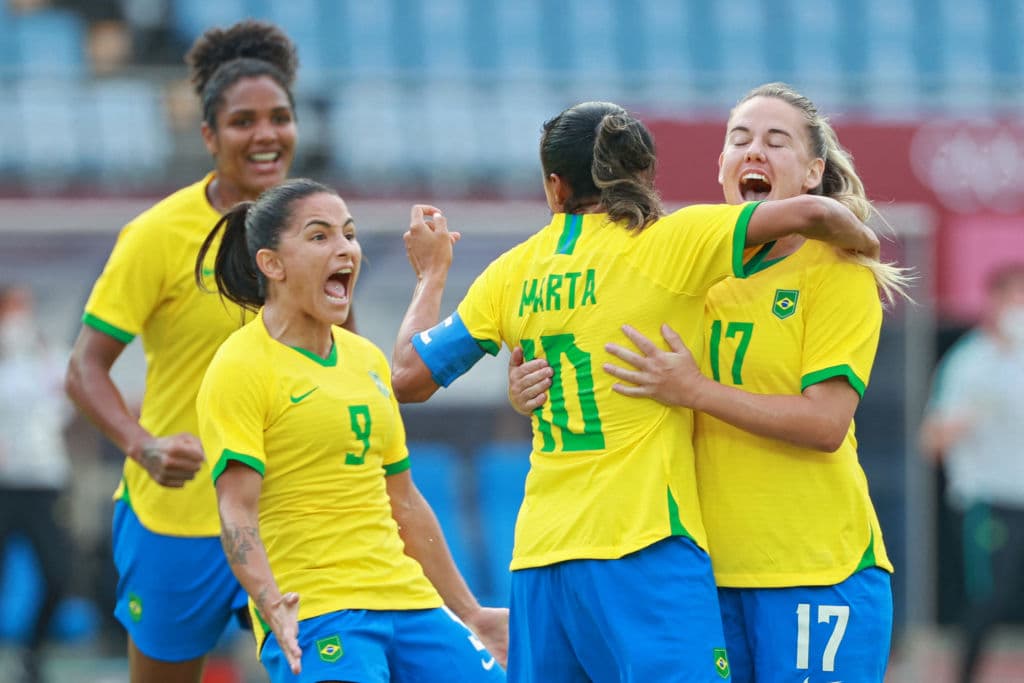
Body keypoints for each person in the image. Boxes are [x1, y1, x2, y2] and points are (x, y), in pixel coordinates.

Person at [390, 100, 881, 682]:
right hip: (654, 549)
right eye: (740, 137)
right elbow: (811, 214)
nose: (753, 150)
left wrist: (431, 277)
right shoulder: (679, 250)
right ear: (651, 175)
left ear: (554, 187)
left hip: (783, 559)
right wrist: (858, 230)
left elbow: (407, 376)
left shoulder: (513, 273)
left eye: (775, 140)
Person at [64, 20, 310, 682]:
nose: (265, 134)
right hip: (180, 515)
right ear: (208, 136)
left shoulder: (316, 230)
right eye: (242, 121)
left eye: (280, 117)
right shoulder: (156, 235)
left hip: (289, 511)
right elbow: (85, 368)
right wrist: (142, 443)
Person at [193, 178, 507, 682]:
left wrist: (469, 612)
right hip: (319, 611)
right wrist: (270, 603)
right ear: (272, 264)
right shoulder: (240, 366)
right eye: (320, 237)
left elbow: (403, 501)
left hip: (409, 601)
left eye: (349, 234)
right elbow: (235, 507)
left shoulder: (365, 359)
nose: (345, 249)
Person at [920, 262, 1024, 683]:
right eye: (1015, 299)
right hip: (987, 503)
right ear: (995, 302)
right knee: (989, 601)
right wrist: (968, 417)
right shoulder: (969, 363)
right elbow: (931, 442)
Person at [0, 285, 74, 683]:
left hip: (44, 482)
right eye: (13, 307)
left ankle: (33, 650)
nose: (20, 316)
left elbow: (68, 399)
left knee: (58, 572)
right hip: (3, 487)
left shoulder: (49, 359)